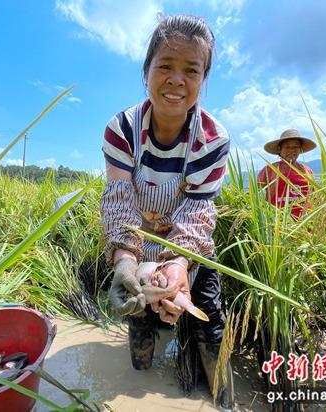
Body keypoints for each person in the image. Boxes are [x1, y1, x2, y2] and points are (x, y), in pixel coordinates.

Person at [100, 15, 234, 410]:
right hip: (139, 240)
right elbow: (119, 199)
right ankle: (135, 384)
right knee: (138, 314)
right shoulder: (121, 129)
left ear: (203, 79)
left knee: (209, 321)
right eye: (165, 67)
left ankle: (223, 398)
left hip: (191, 243)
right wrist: (125, 260)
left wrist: (178, 264)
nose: (176, 80)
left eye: (191, 70)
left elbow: (197, 210)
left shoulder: (212, 140)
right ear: (146, 73)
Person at [257, 129, 317, 218]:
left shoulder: (307, 171)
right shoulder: (270, 170)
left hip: (304, 224)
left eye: (295, 147)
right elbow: (255, 193)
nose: (292, 150)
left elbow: (314, 197)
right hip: (277, 223)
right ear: (279, 149)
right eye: (287, 147)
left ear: (300, 149)